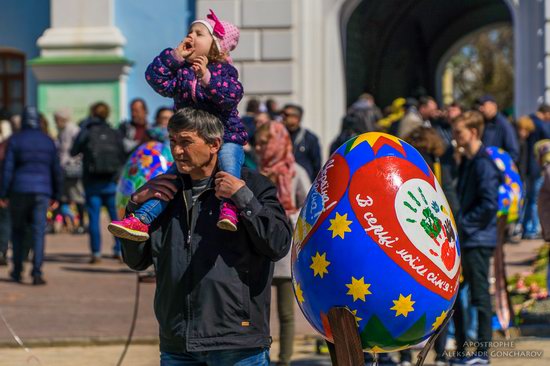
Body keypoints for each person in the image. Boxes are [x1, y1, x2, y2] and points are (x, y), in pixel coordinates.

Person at [120, 108, 292, 366]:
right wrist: (135, 207)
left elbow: (278, 243)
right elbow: (136, 260)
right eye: (173, 142)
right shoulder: (163, 193)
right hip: (178, 342)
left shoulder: (253, 186)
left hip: (236, 341)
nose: (177, 151)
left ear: (214, 144)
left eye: (186, 142)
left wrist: (243, 199)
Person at [109, 9, 247, 240]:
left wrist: (206, 77)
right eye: (190, 32)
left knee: (229, 169)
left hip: (225, 137)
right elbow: (156, 79)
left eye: (199, 33)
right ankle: (142, 219)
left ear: (215, 46)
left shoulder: (223, 70)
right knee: (170, 182)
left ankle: (230, 210)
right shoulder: (182, 72)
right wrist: (174, 57)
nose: (191, 36)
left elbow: (231, 96)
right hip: (190, 141)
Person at [254, 121, 310, 366]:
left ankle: (284, 359)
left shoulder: (295, 171)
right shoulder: (256, 172)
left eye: (264, 143)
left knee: (286, 313)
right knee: (258, 313)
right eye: (258, 143)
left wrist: (284, 217)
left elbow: (309, 208)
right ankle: (259, 356)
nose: (259, 147)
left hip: (285, 250)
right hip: (260, 250)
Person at [450, 111, 501, 366]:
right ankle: (462, 349)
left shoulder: (483, 163)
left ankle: (482, 352)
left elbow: (490, 204)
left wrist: (463, 224)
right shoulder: (469, 161)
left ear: (474, 132)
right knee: (459, 296)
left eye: (459, 132)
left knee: (480, 296)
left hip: (478, 240)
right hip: (469, 238)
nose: (455, 137)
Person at [0, 107, 62, 285]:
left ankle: (17, 270)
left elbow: (8, 169)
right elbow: (56, 170)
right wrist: (57, 194)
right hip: (42, 192)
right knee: (38, 232)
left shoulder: (15, 140)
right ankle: (36, 272)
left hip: (19, 190)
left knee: (17, 231)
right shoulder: (48, 141)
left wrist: (3, 193)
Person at [71, 102, 126, 263]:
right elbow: (123, 156)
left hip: (92, 182)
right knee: (116, 220)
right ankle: (119, 250)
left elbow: (73, 151)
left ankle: (96, 253)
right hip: (111, 183)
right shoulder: (114, 133)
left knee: (94, 219)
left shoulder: (87, 132)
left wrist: (83, 129)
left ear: (92, 114)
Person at [54, 108, 86, 234]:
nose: (55, 122)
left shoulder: (73, 129)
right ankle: (64, 223)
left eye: (56, 119)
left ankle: (81, 223)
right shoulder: (62, 130)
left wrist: (73, 161)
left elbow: (79, 148)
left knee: (77, 197)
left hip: (72, 169)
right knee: (63, 197)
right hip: (64, 169)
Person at [281, 104, 321, 182]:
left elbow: (316, 165)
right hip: (284, 182)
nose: (283, 118)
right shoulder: (278, 137)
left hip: (304, 184)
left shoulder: (310, 138)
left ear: (296, 118)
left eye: (286, 115)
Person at [476, 94, 519, 162]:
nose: (480, 108)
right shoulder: (482, 123)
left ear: (494, 105)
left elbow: (513, 153)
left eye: (483, 105)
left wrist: (499, 167)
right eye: (479, 106)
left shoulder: (504, 124)